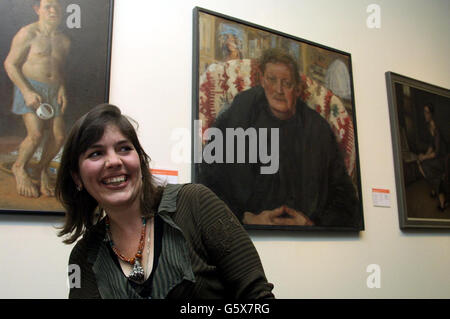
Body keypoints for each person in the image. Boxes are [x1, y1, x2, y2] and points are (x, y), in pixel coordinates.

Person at [56, 104, 274, 299]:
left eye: (124, 148)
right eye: (96, 153)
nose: (114, 161)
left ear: (140, 160)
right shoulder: (82, 259)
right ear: (77, 177)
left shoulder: (196, 205)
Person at [199, 48, 360, 227]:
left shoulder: (318, 129)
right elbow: (207, 177)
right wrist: (246, 218)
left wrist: (311, 224)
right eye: (272, 80)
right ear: (262, 79)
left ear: (298, 89)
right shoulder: (241, 111)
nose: (279, 90)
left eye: (287, 83)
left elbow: (346, 200)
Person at [3, 0, 70, 197]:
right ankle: (19, 167)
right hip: (31, 87)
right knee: (36, 135)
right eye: (47, 6)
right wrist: (26, 91)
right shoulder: (27, 33)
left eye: (56, 7)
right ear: (37, 9)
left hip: (53, 90)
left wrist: (62, 89)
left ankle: (41, 169)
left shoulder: (64, 40)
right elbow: (10, 64)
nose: (52, 10)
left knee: (58, 136)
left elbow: (59, 69)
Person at [417, 103, 447, 211]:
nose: (425, 115)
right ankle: (436, 189)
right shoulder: (429, 126)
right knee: (421, 164)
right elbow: (431, 145)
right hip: (437, 157)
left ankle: (441, 199)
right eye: (424, 112)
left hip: (443, 159)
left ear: (432, 114)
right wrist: (424, 155)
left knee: (427, 167)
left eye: (427, 112)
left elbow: (438, 152)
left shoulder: (436, 129)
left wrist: (425, 157)